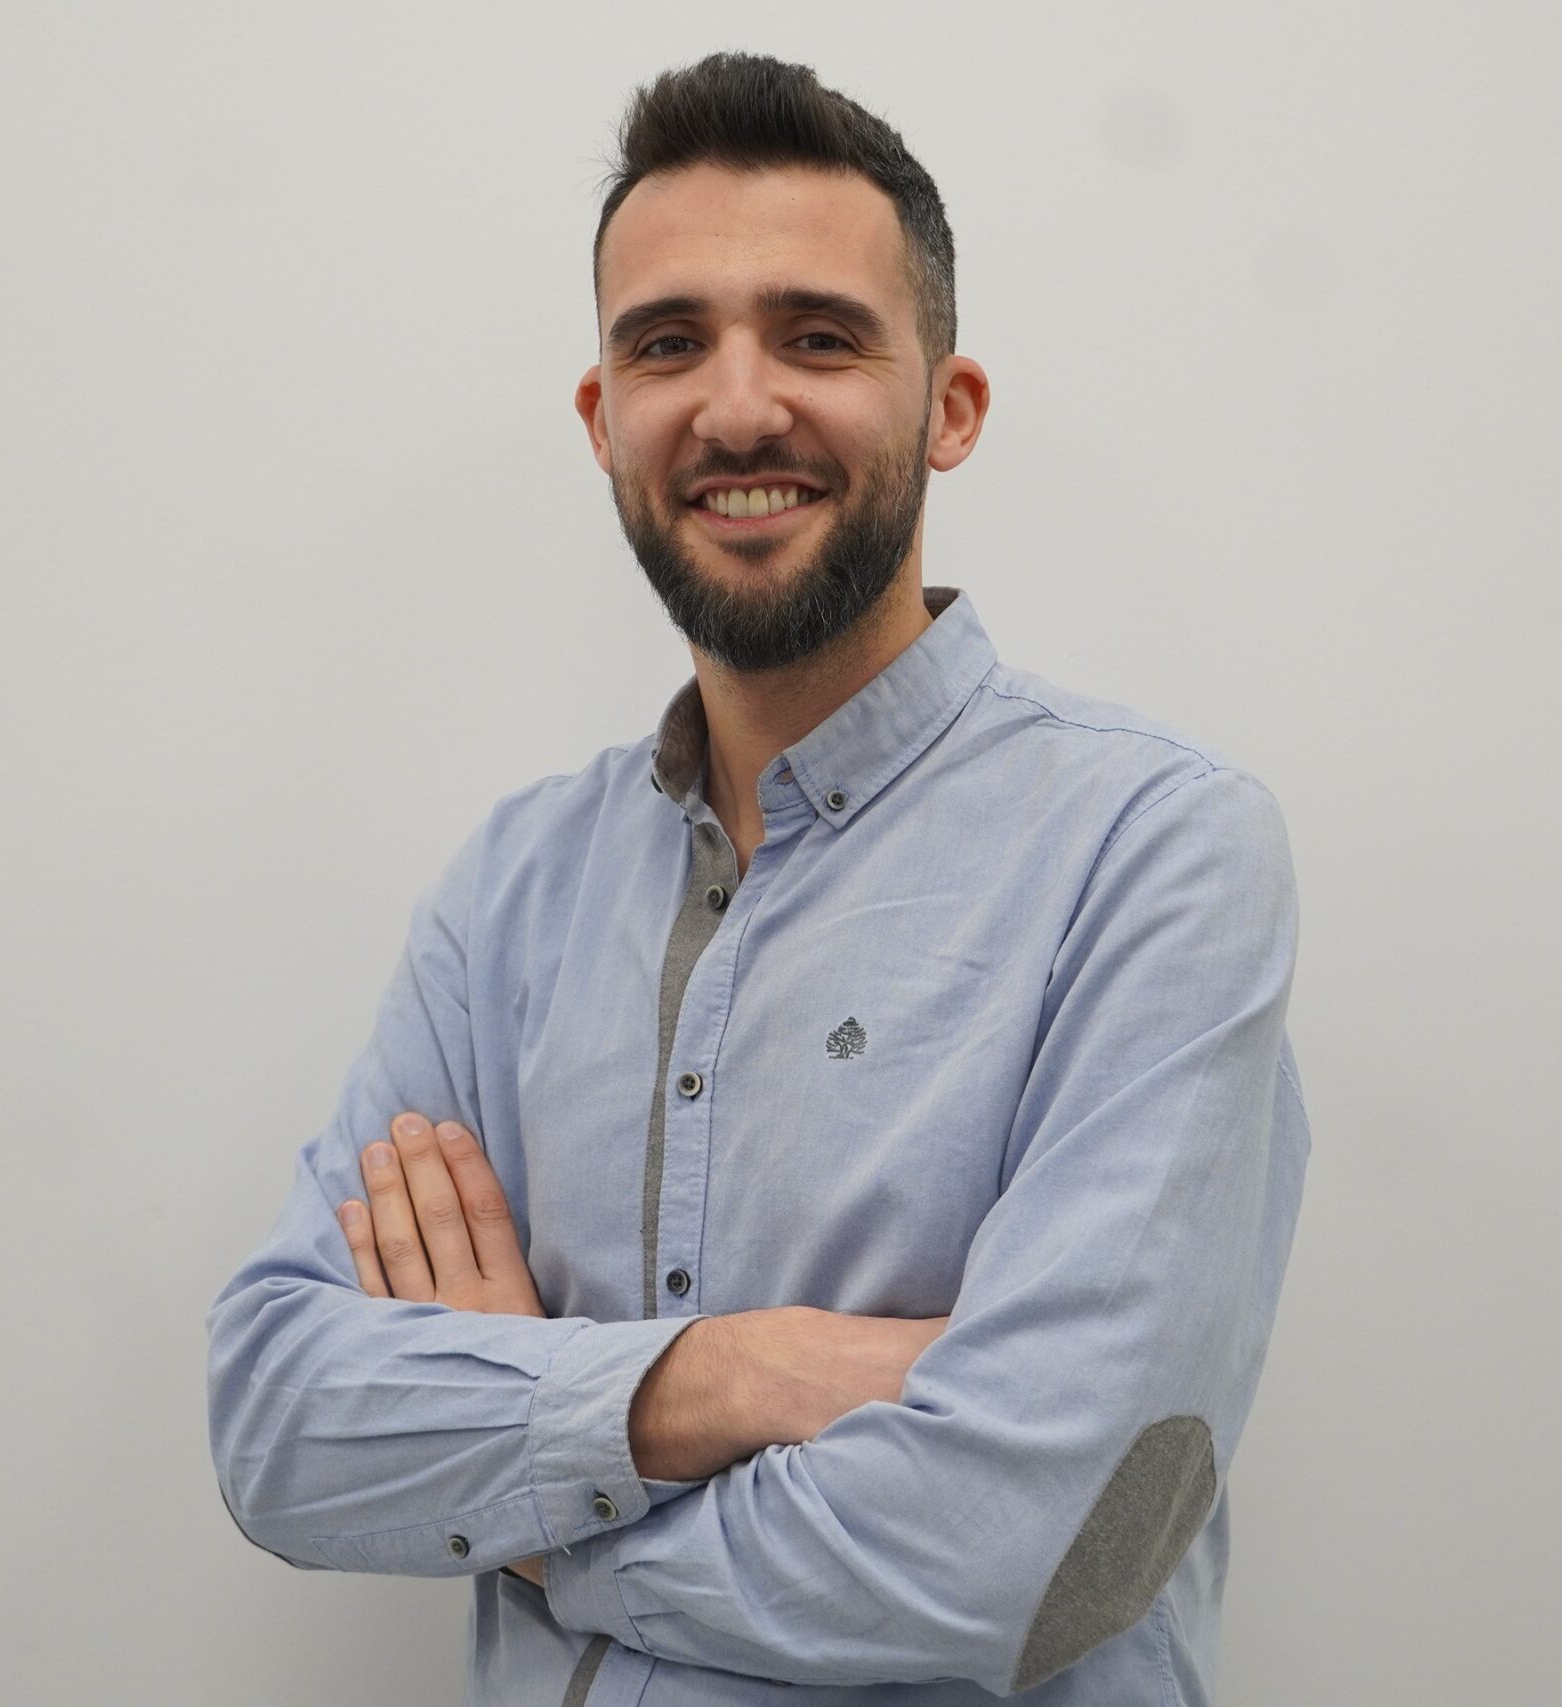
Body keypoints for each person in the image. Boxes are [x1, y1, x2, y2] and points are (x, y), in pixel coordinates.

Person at [205, 51, 1310, 1706]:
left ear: (950, 404)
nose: (735, 407)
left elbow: (1044, 1543)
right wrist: (723, 1380)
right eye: (668, 344)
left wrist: (523, 1503)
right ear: (603, 421)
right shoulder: (513, 888)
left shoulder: (1153, 855)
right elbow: (283, 1416)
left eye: (817, 334)